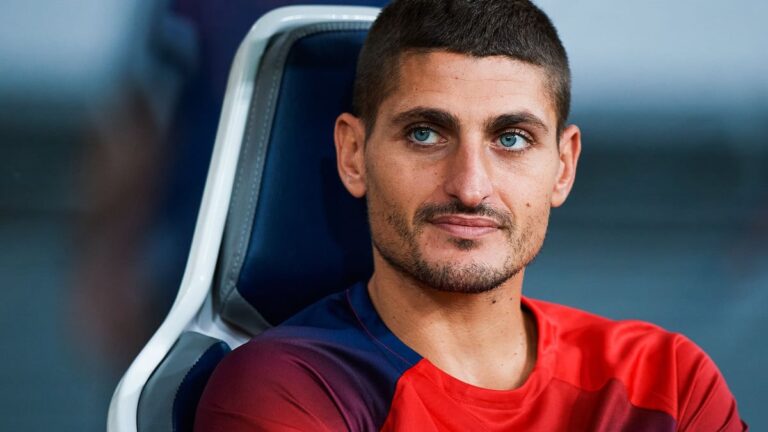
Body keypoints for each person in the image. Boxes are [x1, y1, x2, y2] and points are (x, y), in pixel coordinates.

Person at [195, 0, 746, 430]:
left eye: (511, 138)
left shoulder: (669, 382)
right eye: (425, 134)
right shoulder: (288, 389)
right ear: (353, 154)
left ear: (563, 166)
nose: (469, 187)